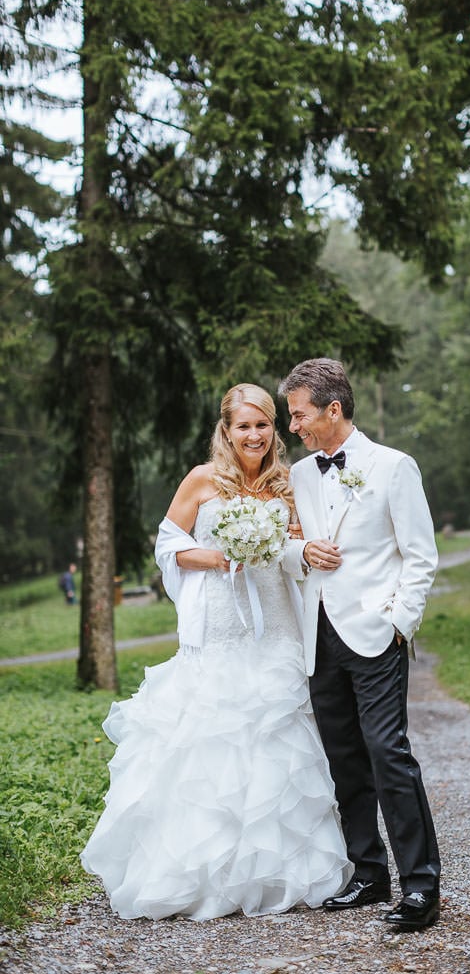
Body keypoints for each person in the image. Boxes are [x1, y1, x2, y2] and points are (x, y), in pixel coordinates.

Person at [80, 383, 351, 921]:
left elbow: (296, 548)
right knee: (211, 741)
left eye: (263, 425)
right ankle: (202, 872)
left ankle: (281, 870)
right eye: (243, 426)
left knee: (276, 735)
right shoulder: (204, 479)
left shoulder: (288, 483)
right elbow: (166, 545)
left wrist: (291, 550)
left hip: (274, 627)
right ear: (226, 431)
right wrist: (222, 557)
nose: (254, 435)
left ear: (275, 429)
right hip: (219, 626)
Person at [279, 358, 441, 932]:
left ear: (333, 409)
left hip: (375, 634)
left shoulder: (394, 467)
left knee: (387, 753)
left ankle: (421, 886)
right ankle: (369, 874)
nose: (292, 426)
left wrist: (400, 622)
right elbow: (287, 551)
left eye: (299, 415)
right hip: (318, 635)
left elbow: (421, 556)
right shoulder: (299, 476)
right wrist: (301, 554)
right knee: (343, 759)